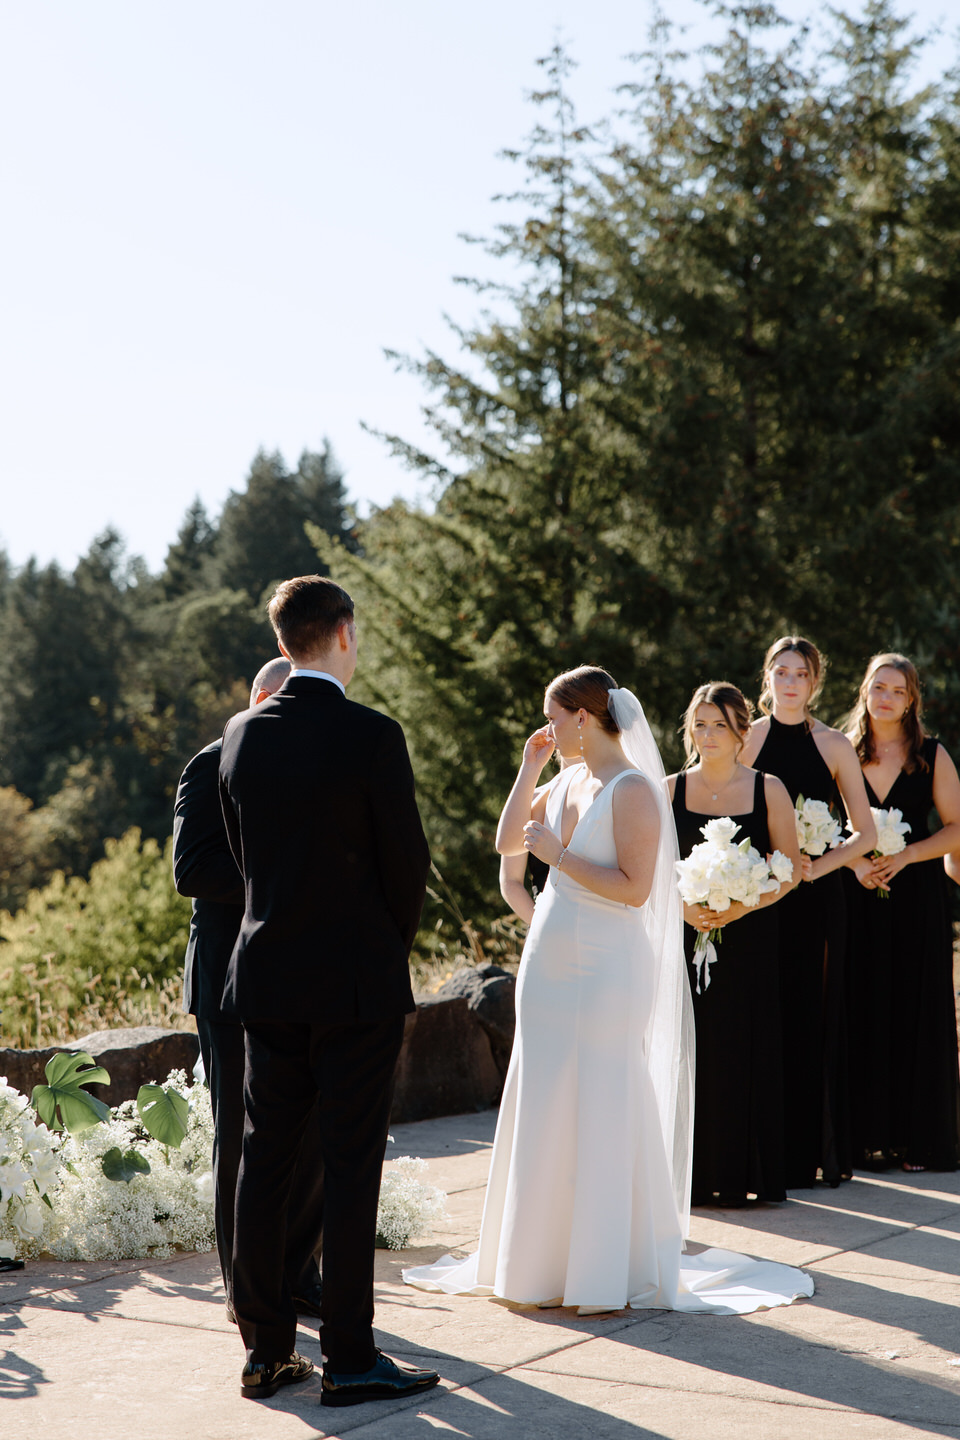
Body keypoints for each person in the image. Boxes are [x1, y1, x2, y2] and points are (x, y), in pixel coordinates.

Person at [404, 665, 813, 1314]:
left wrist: (559, 856)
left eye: (553, 717)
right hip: (549, 961)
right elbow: (508, 840)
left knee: (600, 1091)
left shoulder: (634, 790)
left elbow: (634, 889)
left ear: (585, 717)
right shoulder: (563, 777)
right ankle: (537, 1263)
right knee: (544, 1092)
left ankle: (602, 1268)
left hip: (606, 964)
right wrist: (528, 770)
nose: (547, 727)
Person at [218, 575, 439, 1405]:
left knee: (264, 1163)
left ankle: (265, 1352)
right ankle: (348, 1357)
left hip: (266, 976)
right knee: (351, 1168)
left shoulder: (241, 736)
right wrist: (385, 947)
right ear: (344, 633)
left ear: (283, 645)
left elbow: (245, 861)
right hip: (354, 983)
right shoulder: (373, 735)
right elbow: (405, 863)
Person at [173, 656, 325, 1326]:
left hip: (307, 978)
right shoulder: (209, 765)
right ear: (261, 699)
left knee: (313, 1133)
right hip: (231, 981)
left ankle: (300, 1275)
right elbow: (193, 869)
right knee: (241, 1136)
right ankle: (248, 1291)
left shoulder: (315, 768)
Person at [740, 636, 875, 1188]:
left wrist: (814, 870)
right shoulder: (743, 738)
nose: (790, 682)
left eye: (801, 674)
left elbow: (864, 833)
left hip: (818, 900)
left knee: (814, 1015)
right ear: (767, 677)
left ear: (814, 683)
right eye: (781, 671)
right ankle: (765, 1153)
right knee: (762, 1014)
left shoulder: (836, 744)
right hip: (757, 900)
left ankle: (814, 1152)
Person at [668, 682, 800, 1205]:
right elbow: (651, 869)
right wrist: (683, 908)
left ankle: (748, 1173)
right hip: (681, 938)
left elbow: (787, 871)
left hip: (751, 940)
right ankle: (689, 1178)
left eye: (719, 724)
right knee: (689, 1050)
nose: (707, 734)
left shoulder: (770, 789)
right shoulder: (667, 789)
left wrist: (742, 905)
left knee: (744, 1048)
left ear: (743, 729)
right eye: (699, 724)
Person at [843, 652, 960, 1172]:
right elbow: (817, 827)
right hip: (857, 896)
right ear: (864, 692)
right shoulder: (841, 752)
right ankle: (863, 1138)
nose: (885, 697)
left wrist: (910, 853)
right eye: (877, 687)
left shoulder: (932, 755)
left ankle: (920, 1140)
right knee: (860, 1004)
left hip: (917, 899)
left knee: (914, 1007)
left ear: (911, 699)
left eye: (897, 690)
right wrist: (853, 868)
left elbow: (957, 826)